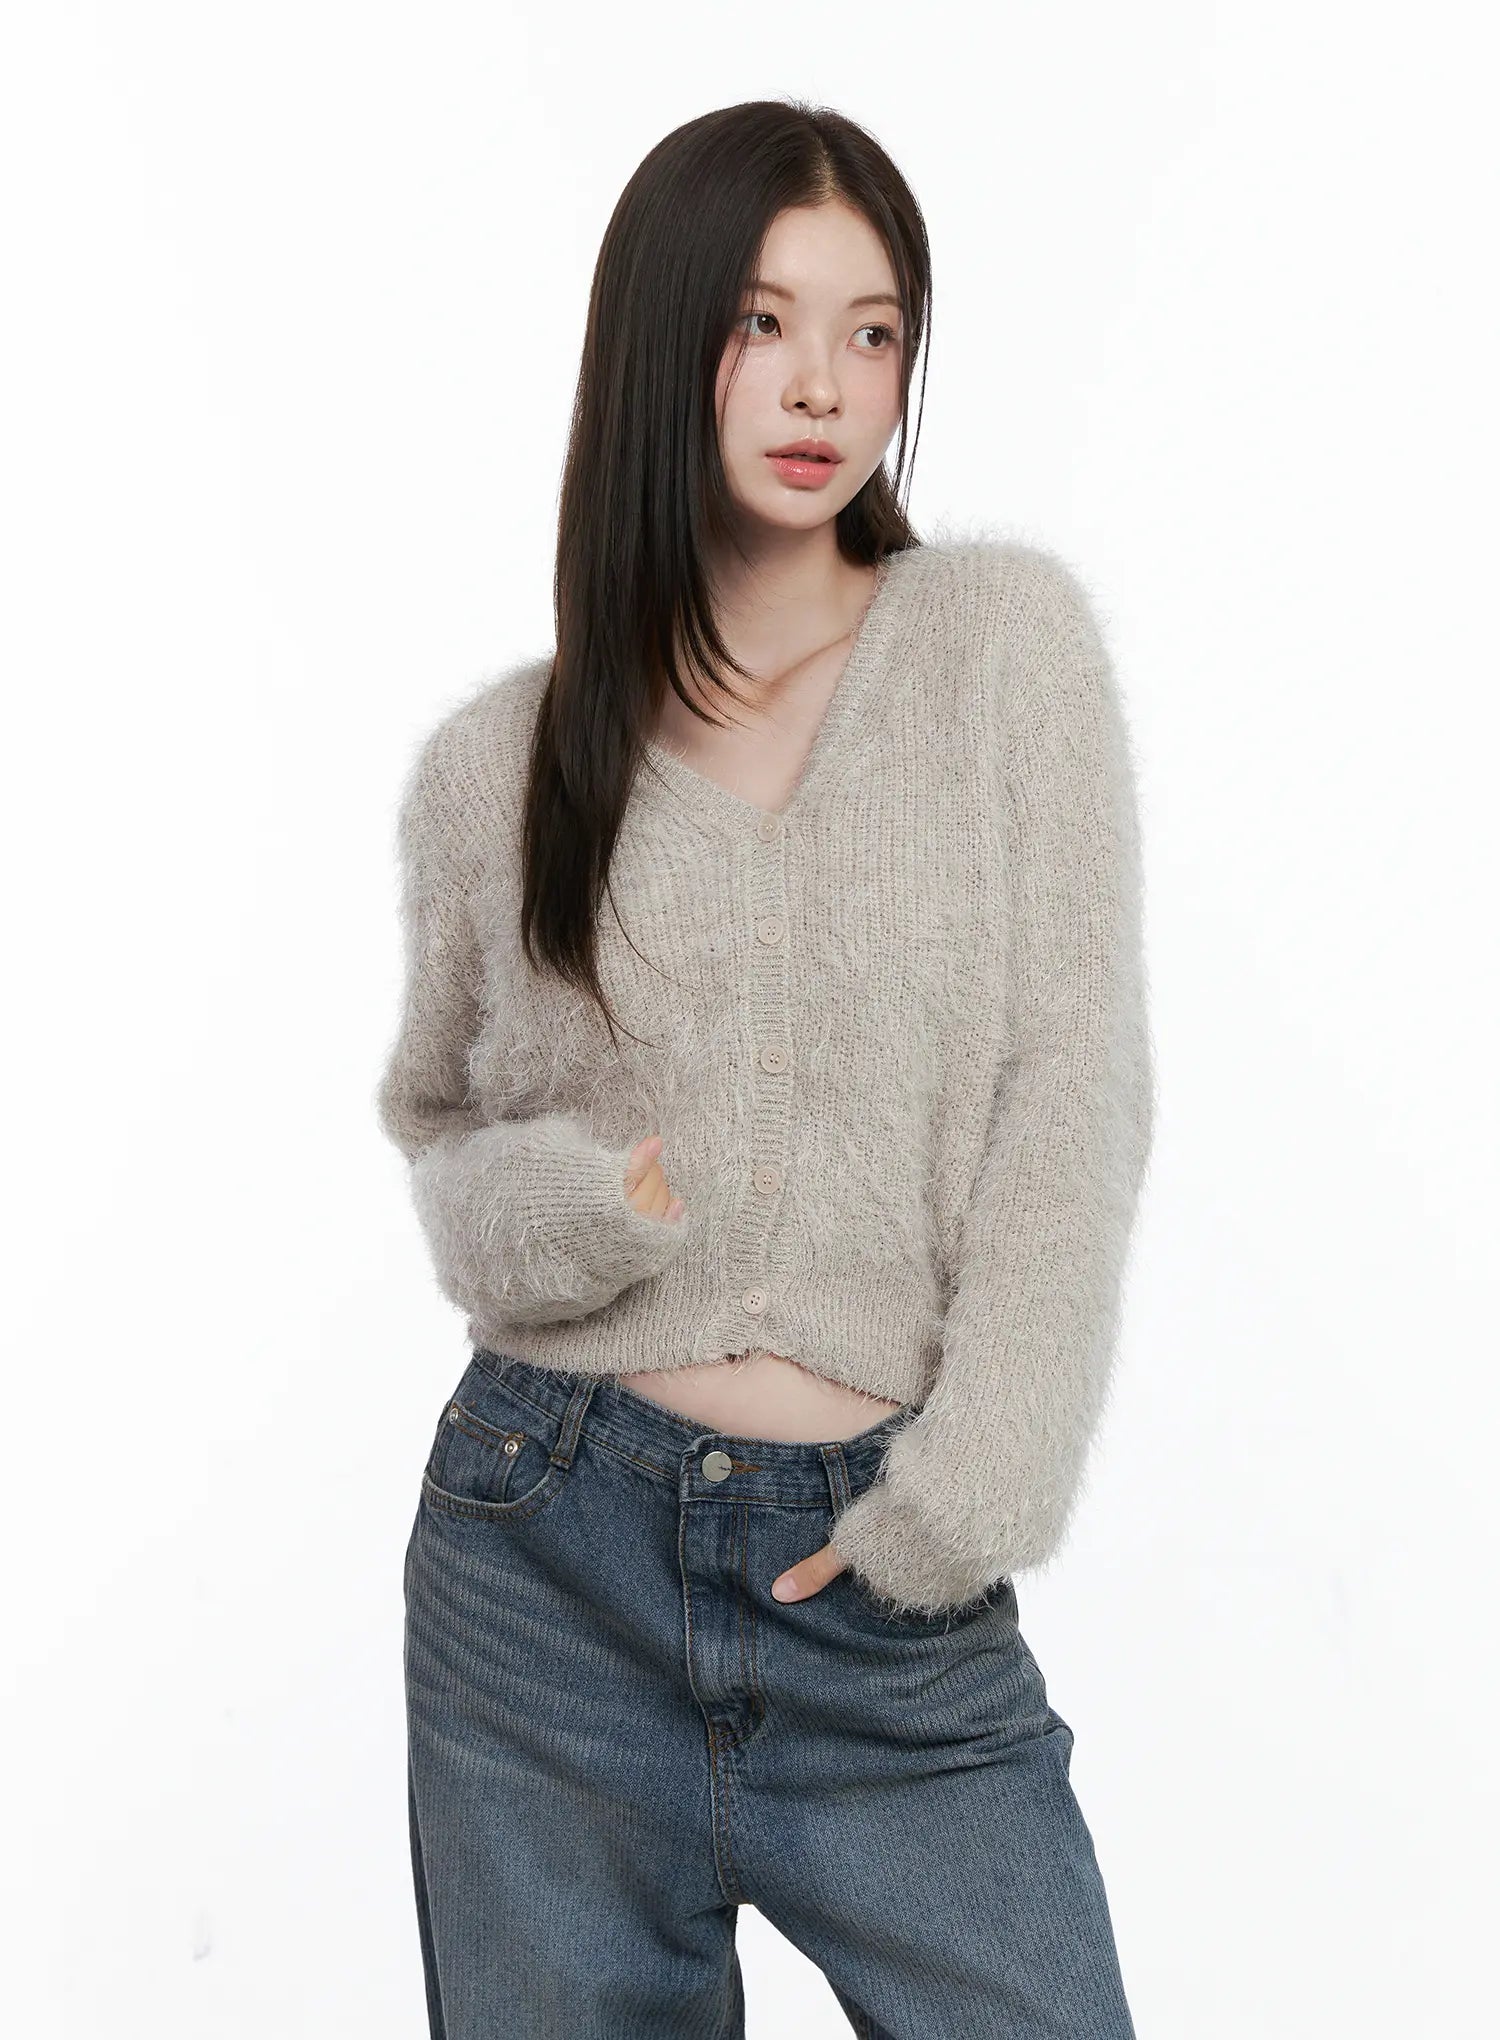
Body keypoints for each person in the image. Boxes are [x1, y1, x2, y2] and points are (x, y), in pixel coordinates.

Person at [378, 97, 1155, 2040]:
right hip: (544, 1564)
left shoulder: (1003, 654)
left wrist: (972, 1489)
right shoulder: (500, 765)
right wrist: (580, 1204)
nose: (825, 385)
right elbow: (445, 1140)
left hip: (882, 1577)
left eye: (872, 331)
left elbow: (1074, 1085)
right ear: (666, 342)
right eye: (763, 322)